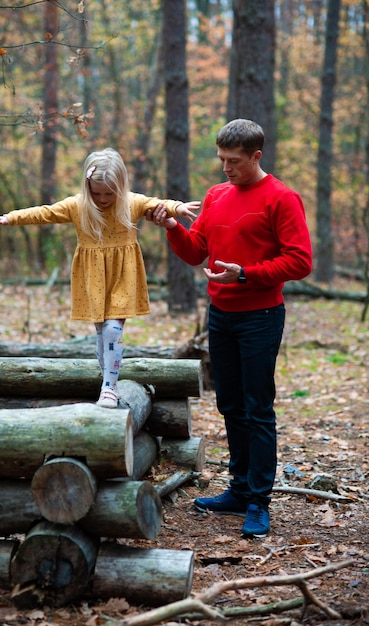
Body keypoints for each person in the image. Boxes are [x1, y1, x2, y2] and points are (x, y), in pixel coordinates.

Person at [147, 119, 313, 538]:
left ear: (256, 156)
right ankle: (238, 490)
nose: (225, 167)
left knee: (258, 408)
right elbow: (196, 251)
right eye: (221, 159)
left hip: (260, 316)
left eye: (233, 161)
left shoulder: (281, 198)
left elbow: (300, 261)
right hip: (219, 316)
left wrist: (245, 275)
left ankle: (258, 500)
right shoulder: (216, 195)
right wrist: (173, 229)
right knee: (230, 405)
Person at [0, 147, 200, 409]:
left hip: (123, 272)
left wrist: (177, 207)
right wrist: (9, 218)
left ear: (120, 186)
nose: (103, 198)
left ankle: (109, 387)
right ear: (88, 187)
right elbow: (45, 212)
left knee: (112, 329)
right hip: (92, 275)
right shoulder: (78, 205)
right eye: (96, 192)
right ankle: (108, 380)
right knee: (101, 334)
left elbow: (156, 203)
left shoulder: (130, 203)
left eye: (109, 192)